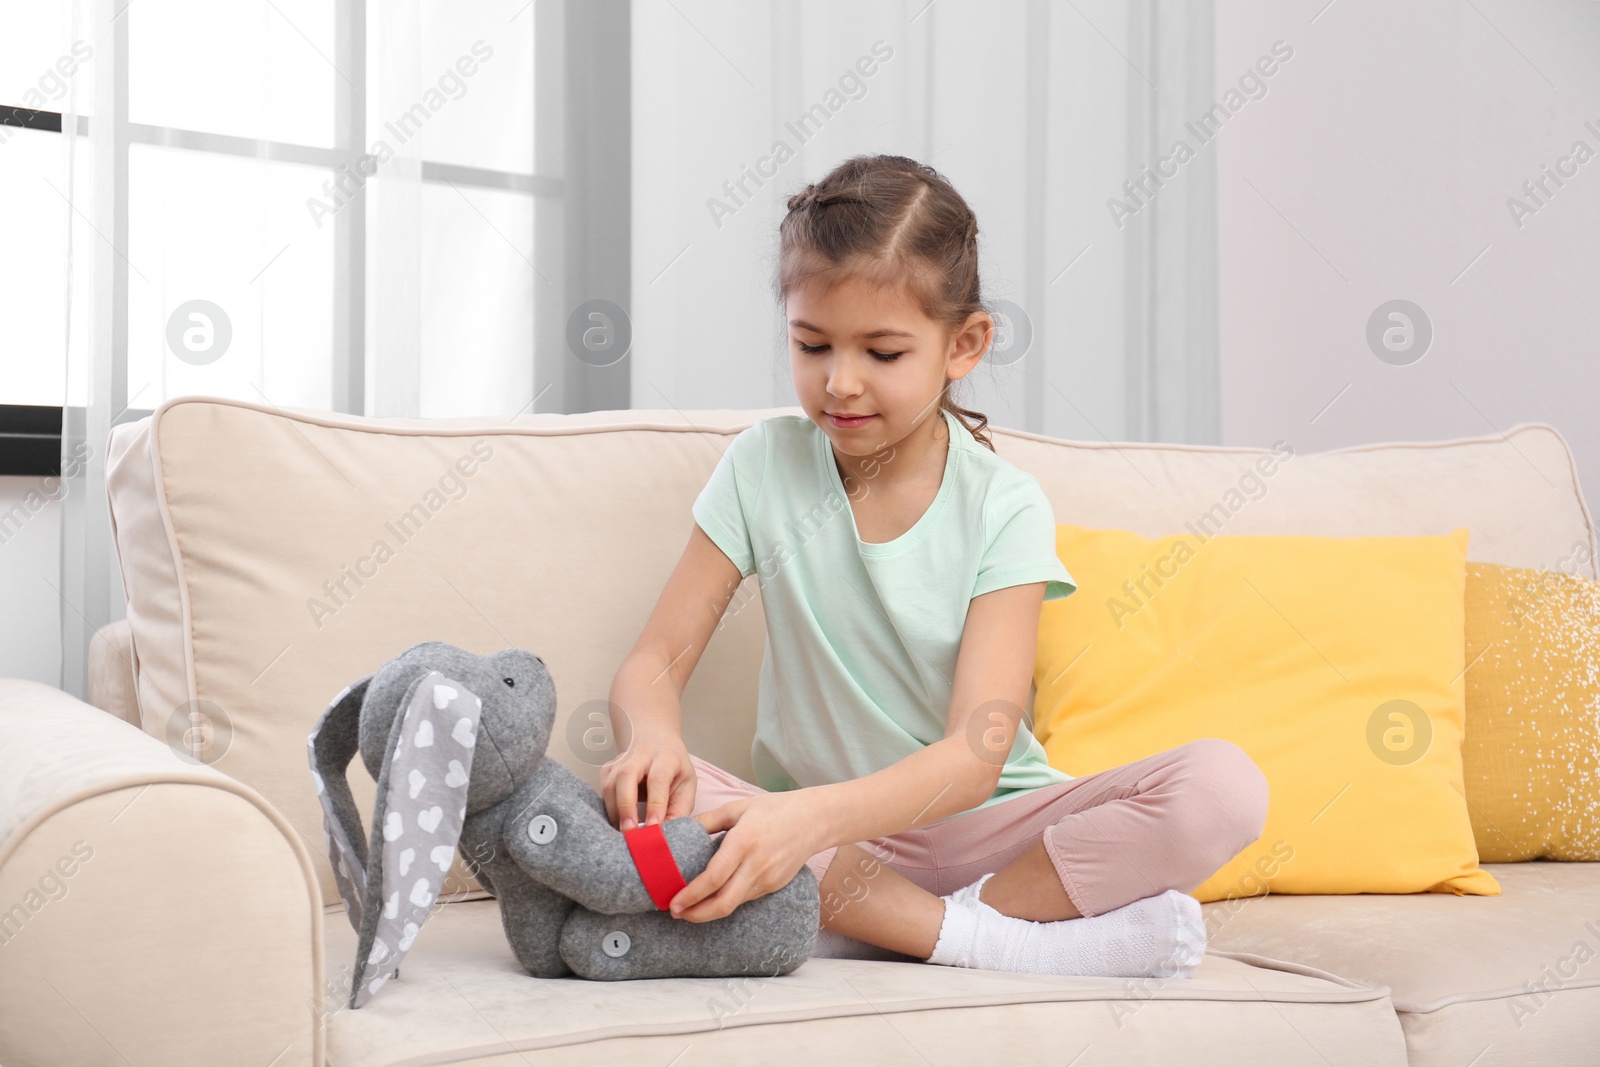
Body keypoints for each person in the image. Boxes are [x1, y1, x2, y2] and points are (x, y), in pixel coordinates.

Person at [601, 153, 1269, 978]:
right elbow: (652, 664)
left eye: (882, 353)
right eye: (812, 345)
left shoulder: (1006, 506)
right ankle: (978, 941)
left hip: (988, 829)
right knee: (646, 798)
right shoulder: (761, 466)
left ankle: (924, 928)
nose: (840, 382)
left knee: (1223, 788)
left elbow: (976, 751)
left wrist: (809, 822)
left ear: (966, 344)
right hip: (819, 835)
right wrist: (655, 738)